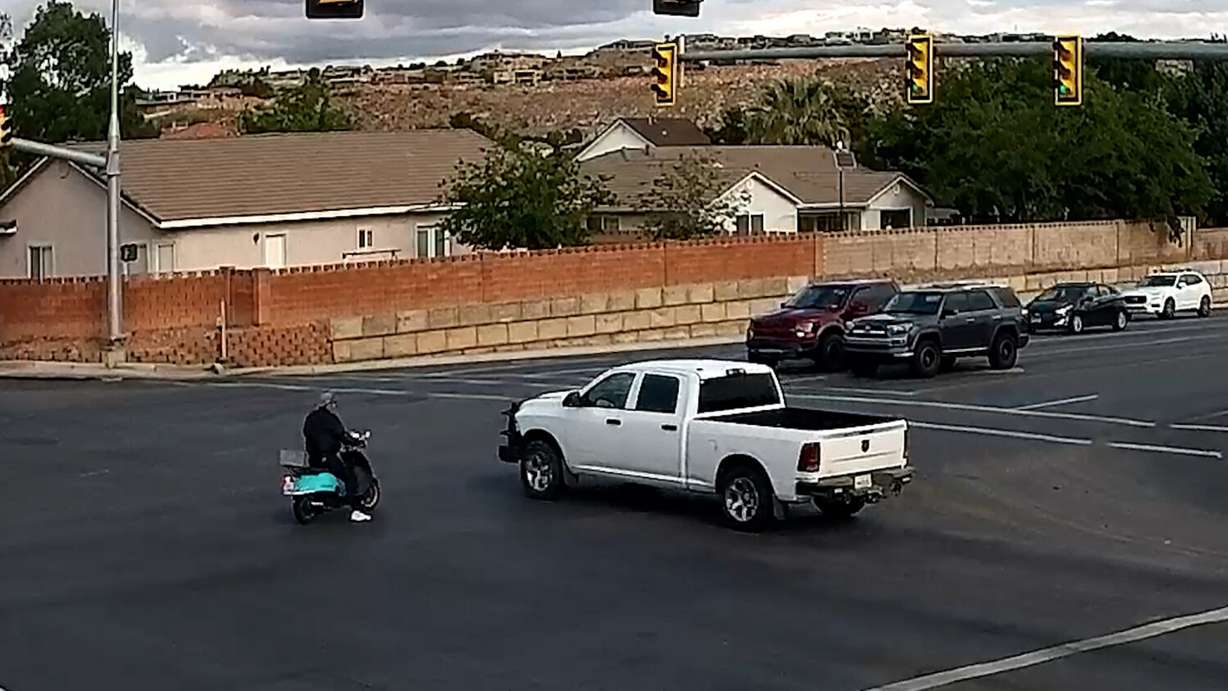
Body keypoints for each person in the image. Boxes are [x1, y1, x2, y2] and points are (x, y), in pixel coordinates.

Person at [303, 392, 372, 522]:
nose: (334, 406)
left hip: (314, 457)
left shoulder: (310, 417)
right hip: (328, 456)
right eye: (333, 403)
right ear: (328, 404)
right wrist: (355, 442)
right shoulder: (330, 419)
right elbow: (342, 434)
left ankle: (323, 501)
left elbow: (306, 433)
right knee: (349, 477)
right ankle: (356, 510)